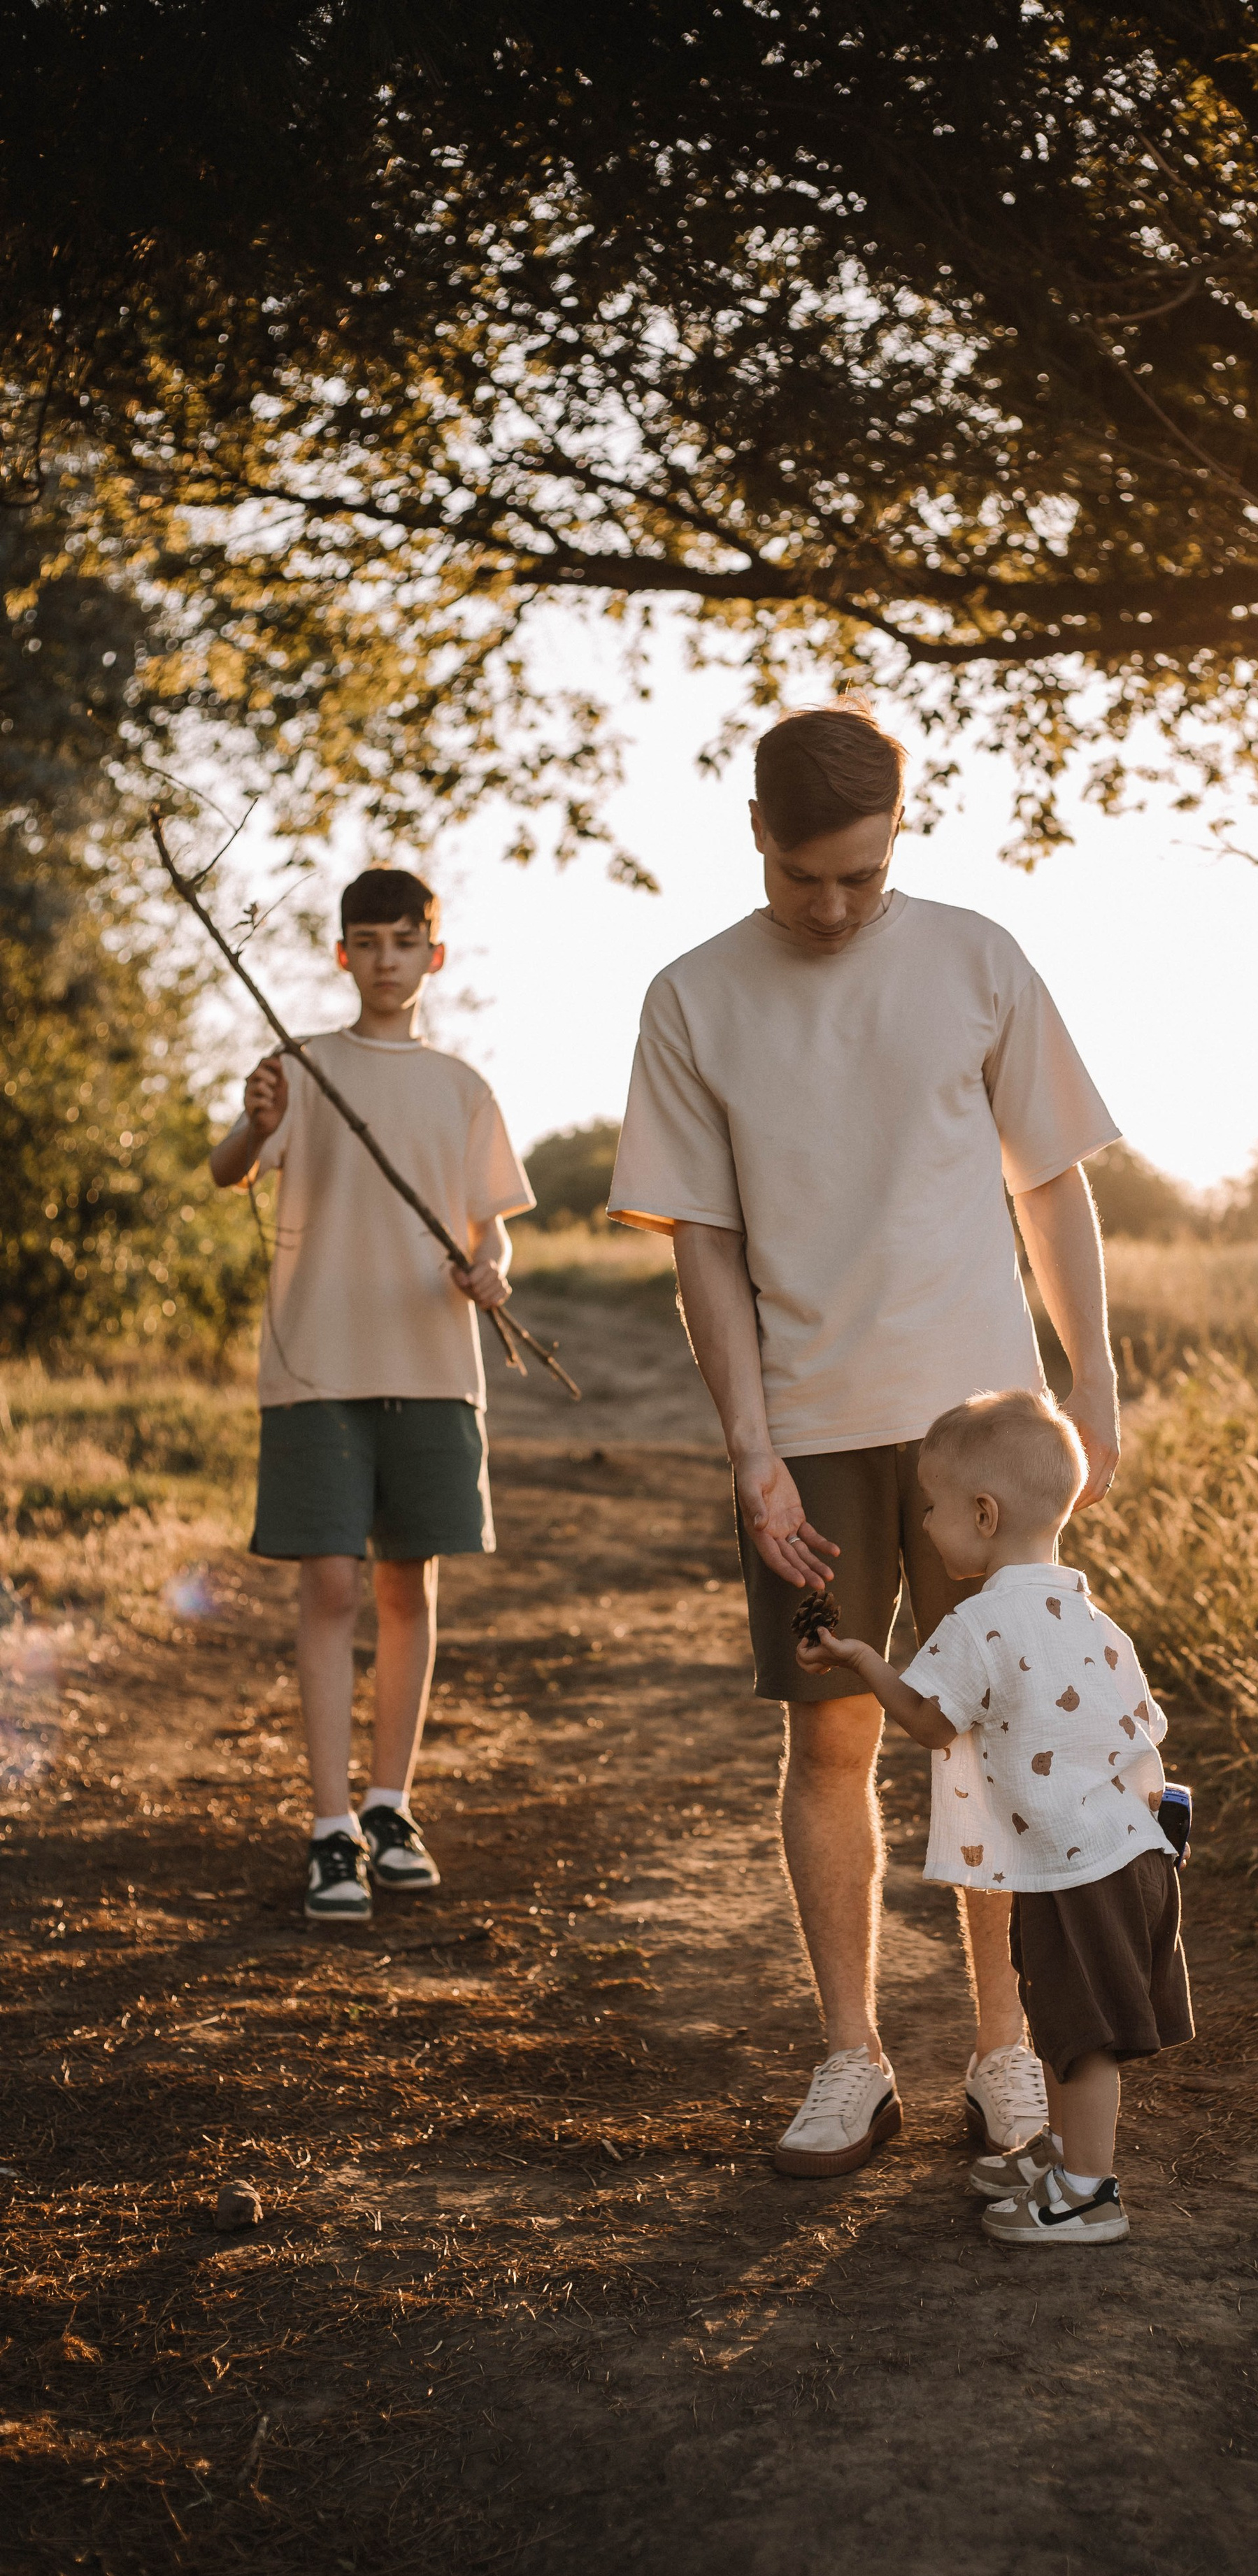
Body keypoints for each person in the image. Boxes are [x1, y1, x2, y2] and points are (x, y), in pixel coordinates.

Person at [608, 703, 1123, 2174]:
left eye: (862, 876)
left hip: (985, 1430)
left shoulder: (976, 959)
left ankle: (1006, 2052)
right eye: (803, 877)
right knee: (831, 1735)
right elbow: (703, 1244)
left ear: (899, 836)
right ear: (755, 835)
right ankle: (852, 2059)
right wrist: (749, 1449)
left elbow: (1051, 1184)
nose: (832, 908)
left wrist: (1092, 1376)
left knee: (1001, 1739)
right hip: (814, 1427)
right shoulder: (692, 997)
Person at [209, 869, 534, 1926]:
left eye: (405, 942)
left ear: (433, 955)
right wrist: (253, 1125)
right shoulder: (300, 1069)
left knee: (408, 1589)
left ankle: (390, 1807)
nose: (386, 960)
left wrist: (492, 1273)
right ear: (342, 954)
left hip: (434, 1368)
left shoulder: (461, 1087)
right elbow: (228, 1171)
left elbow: (493, 1227)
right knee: (330, 1590)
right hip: (316, 1370)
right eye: (368, 942)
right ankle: (330, 1826)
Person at [796, 1389, 1192, 2245]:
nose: (925, 1525)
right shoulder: (1095, 1619)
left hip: (1079, 1869)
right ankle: (1061, 2152)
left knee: (1084, 2037)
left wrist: (863, 1659)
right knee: (1060, 2016)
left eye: (932, 1508)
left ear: (983, 1513)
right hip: (1127, 1853)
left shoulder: (977, 1623)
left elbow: (929, 1722)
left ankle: (1087, 2195)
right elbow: (1144, 1741)